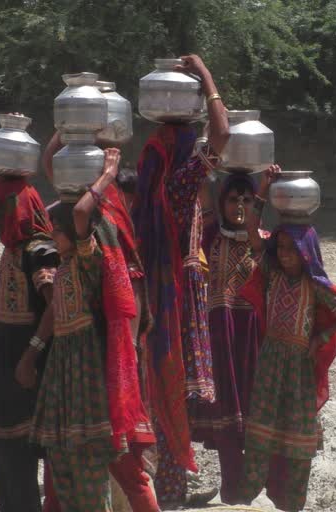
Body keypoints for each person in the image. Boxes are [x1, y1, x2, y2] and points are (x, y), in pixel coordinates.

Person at [31, 148, 156, 512]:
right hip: (64, 374)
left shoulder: (90, 259)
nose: (53, 231)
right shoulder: (67, 264)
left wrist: (107, 174)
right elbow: (59, 310)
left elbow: (84, 210)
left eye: (59, 227)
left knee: (121, 464)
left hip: (91, 376)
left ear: (76, 232)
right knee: (59, 460)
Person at [236, 166, 336, 512]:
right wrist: (260, 194)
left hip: (298, 372)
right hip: (270, 363)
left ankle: (291, 505)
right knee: (259, 439)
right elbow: (251, 233)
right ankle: (248, 502)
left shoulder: (315, 286)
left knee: (296, 445)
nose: (285, 254)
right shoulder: (271, 273)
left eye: (291, 249)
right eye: (280, 248)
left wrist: (319, 336)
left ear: (306, 252)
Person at [134, 54, 229, 508]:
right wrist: (207, 77)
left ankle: (153, 487)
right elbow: (224, 135)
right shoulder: (180, 184)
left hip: (156, 294)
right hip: (178, 299)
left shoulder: (155, 184)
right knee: (174, 393)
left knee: (157, 390)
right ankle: (167, 493)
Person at [0, 170, 58, 512]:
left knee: (21, 461)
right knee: (5, 462)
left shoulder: (39, 251)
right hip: (7, 372)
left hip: (28, 372)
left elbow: (57, 304)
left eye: (2, 210)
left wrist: (31, 356)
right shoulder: (13, 249)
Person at [190, 172, 268, 504]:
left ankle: (250, 488)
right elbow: (204, 200)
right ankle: (233, 492)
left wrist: (262, 189)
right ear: (221, 203)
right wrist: (205, 165)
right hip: (220, 337)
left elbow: (258, 243)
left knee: (254, 414)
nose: (238, 206)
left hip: (253, 336)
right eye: (232, 199)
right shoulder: (210, 235)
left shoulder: (263, 239)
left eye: (245, 200)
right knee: (226, 417)